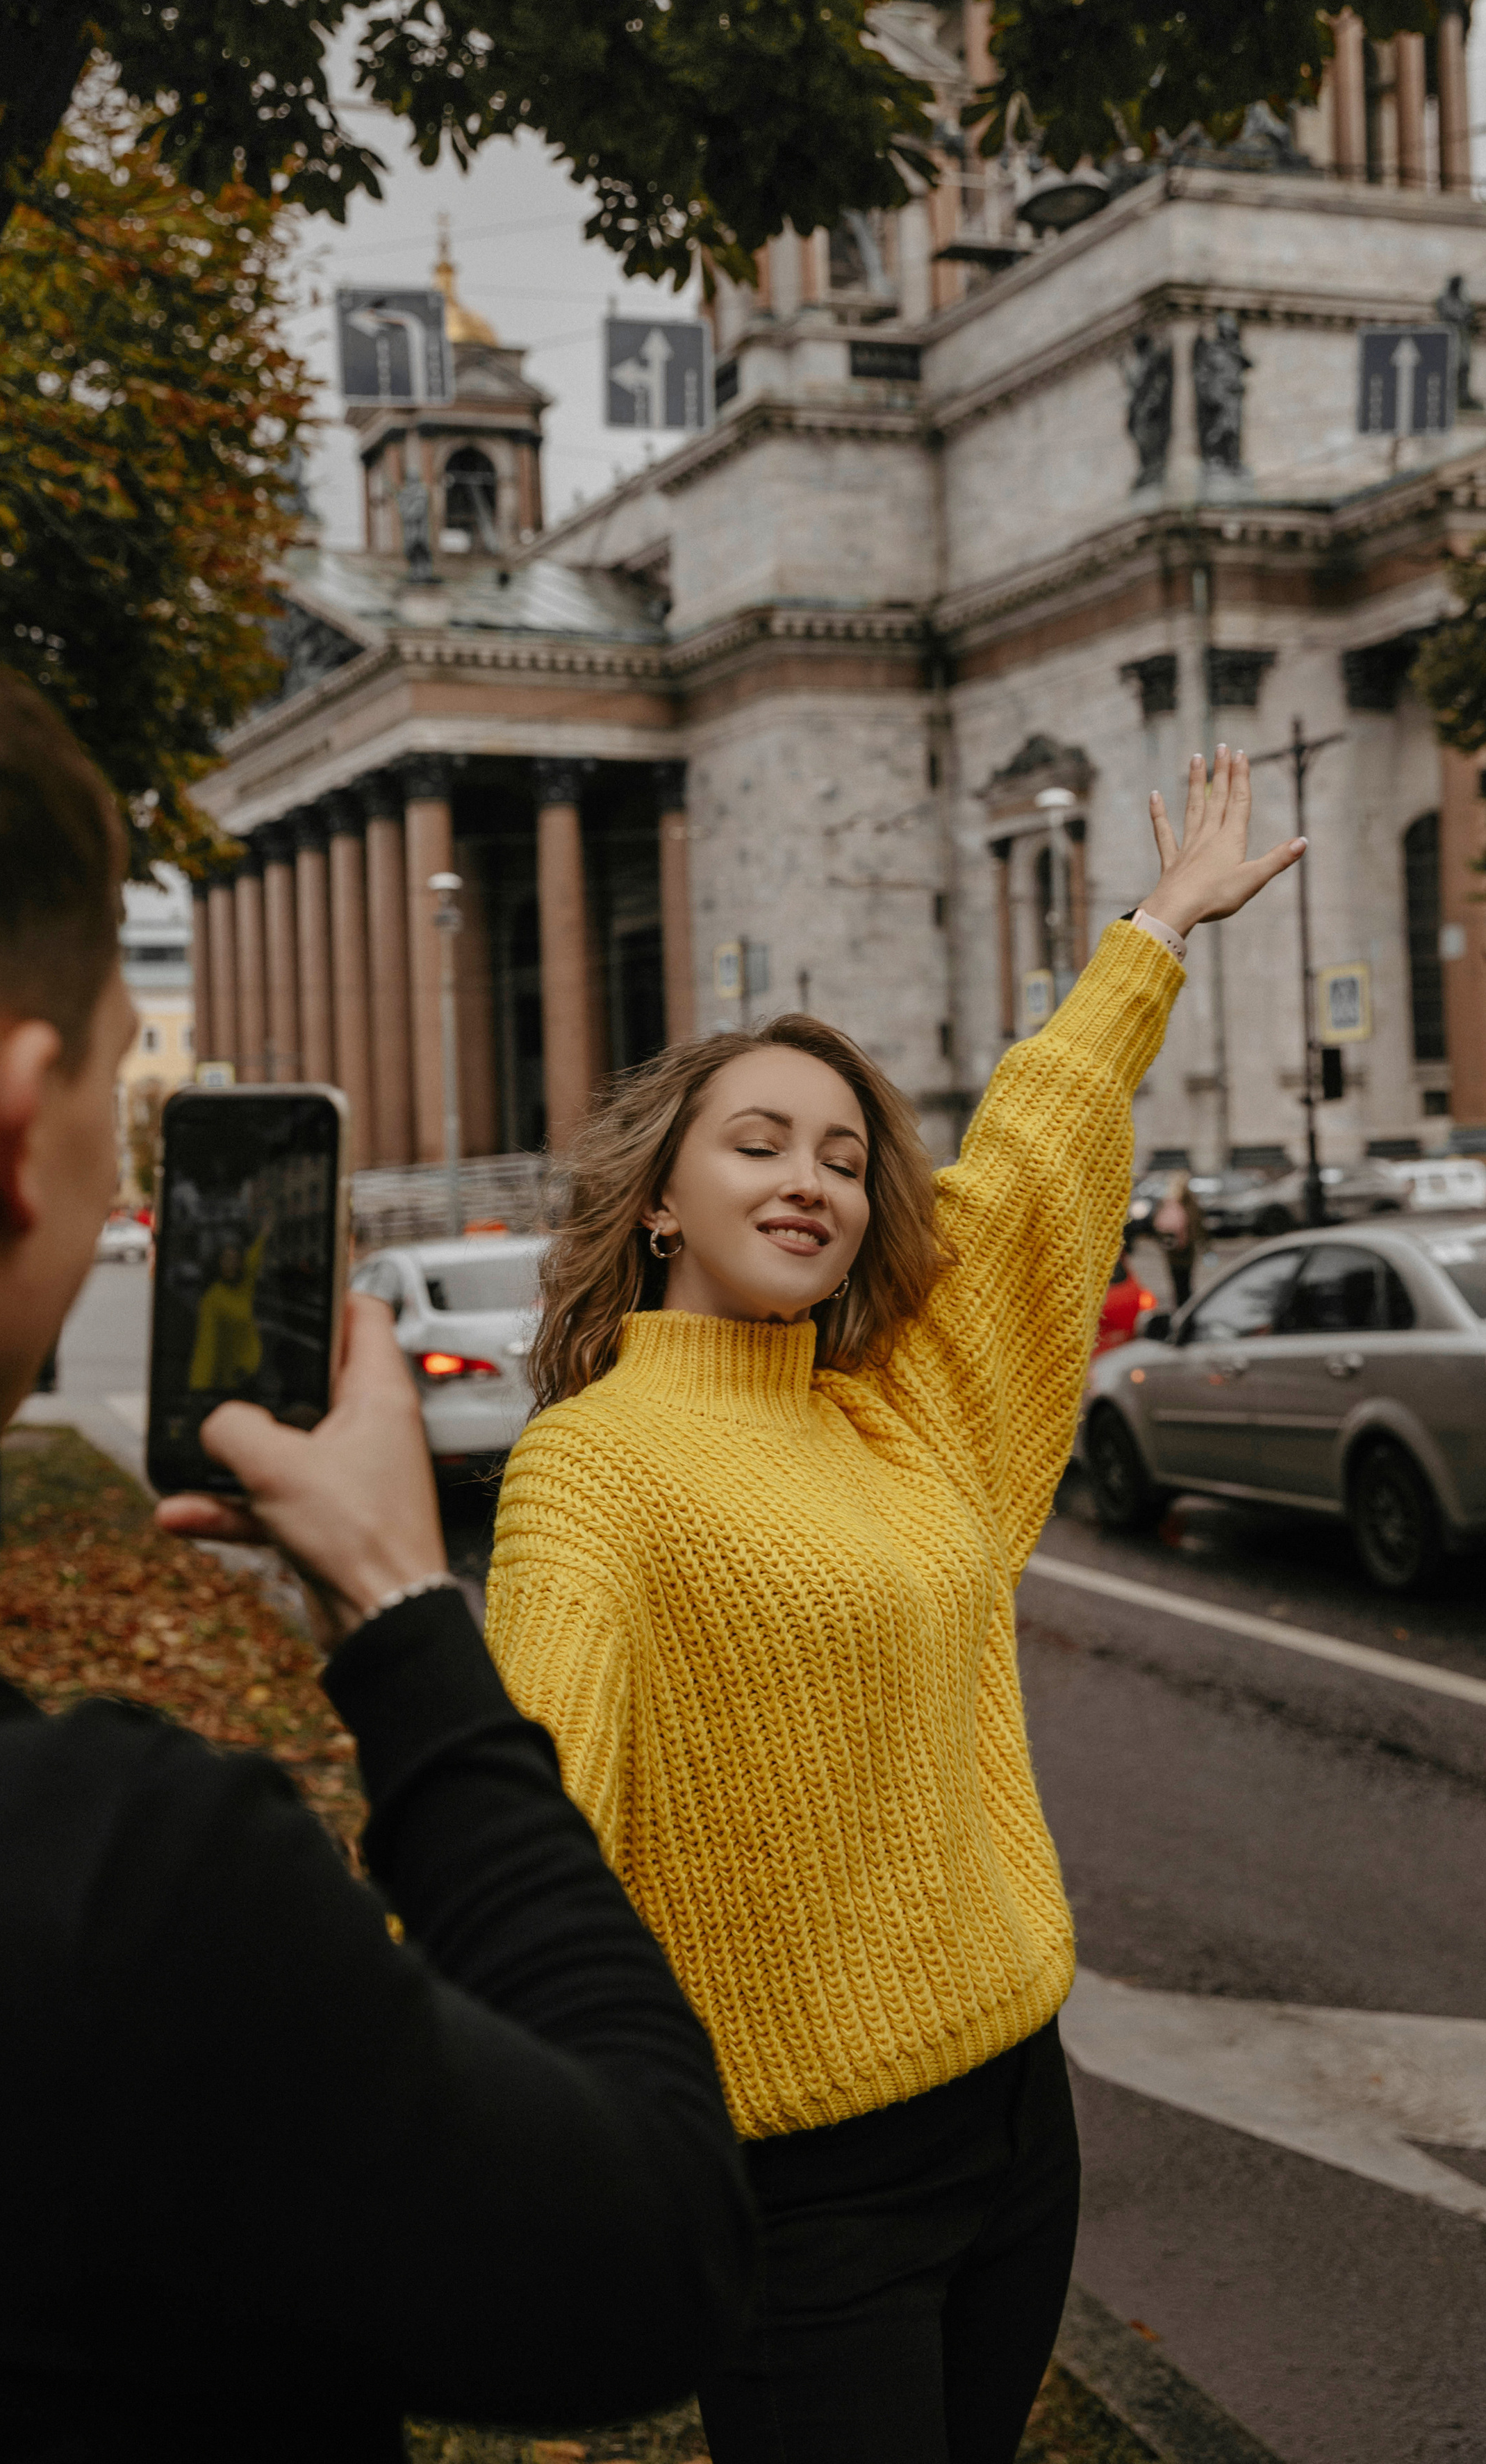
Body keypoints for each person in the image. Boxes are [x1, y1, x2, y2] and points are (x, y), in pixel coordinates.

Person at [0, 593, 752, 2458]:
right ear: (13, 1134)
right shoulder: (105, 1892)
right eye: (121, 1079)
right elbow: (648, 2247)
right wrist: (403, 1612)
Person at [486, 747, 1304, 2464]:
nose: (809, 1178)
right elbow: (530, 1817)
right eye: (758, 1141)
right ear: (656, 1203)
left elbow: (1022, 1186)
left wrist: (1150, 932)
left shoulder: (888, 1406)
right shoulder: (592, 1466)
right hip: (801, 2187)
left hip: (1015, 2114)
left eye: (842, 1157)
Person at [188, 1225, 268, 1390]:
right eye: (226, 1259)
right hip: (233, 1380)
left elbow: (254, 1257)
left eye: (235, 1259)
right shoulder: (213, 1299)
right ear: (218, 1263)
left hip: (254, 1372)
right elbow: (206, 1346)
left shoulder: (244, 1287)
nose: (231, 1264)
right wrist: (198, 1387)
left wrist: (266, 1229)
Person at [1153, 1169, 1206, 1308]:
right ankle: (1186, 1310)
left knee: (1179, 1283)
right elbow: (1197, 1225)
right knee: (1185, 1283)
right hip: (1185, 1248)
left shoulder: (1168, 1201)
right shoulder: (1187, 1202)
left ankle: (1183, 1310)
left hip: (1174, 1247)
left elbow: (1158, 1224)